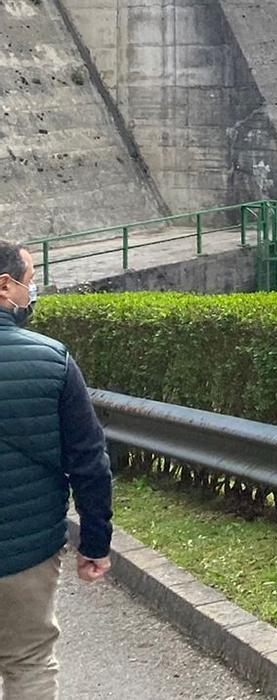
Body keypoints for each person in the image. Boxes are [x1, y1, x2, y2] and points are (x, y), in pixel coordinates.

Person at [0, 243, 112, 700]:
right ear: (6, 286)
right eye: (31, 279)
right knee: (29, 662)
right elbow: (89, 461)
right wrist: (95, 542)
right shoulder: (52, 360)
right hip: (27, 553)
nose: (34, 290)